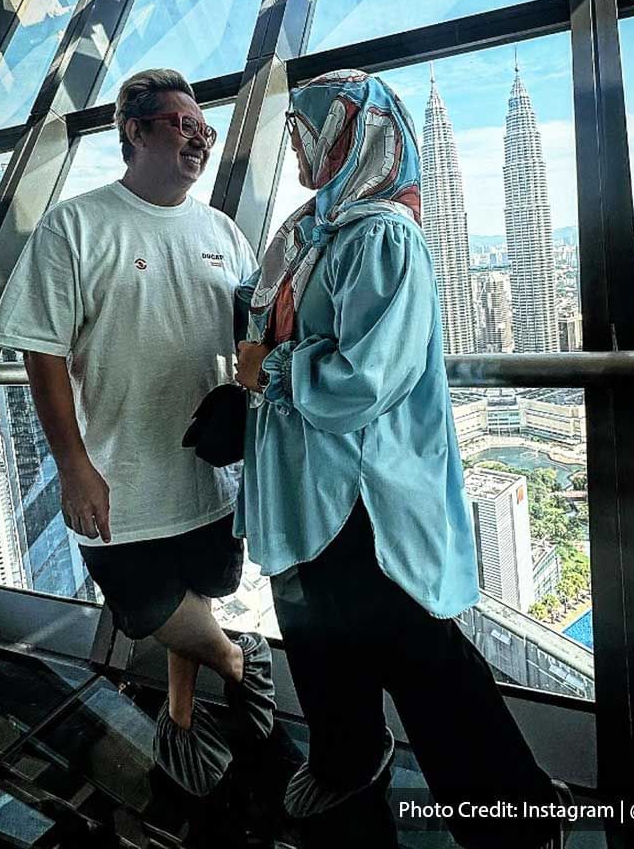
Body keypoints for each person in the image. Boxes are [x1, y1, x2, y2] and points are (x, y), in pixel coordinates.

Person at [234, 69, 572, 848]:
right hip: (304, 484)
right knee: (318, 640)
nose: (294, 146)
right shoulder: (308, 231)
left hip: (364, 493)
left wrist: (271, 370)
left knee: (422, 660)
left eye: (306, 131)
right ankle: (346, 759)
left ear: (354, 133)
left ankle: (512, 810)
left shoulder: (380, 235)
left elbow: (368, 378)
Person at [0, 68, 274, 797]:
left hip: (206, 475)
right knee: (148, 611)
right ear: (134, 131)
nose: (199, 138)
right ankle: (241, 663)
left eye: (204, 129)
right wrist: (74, 465)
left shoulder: (221, 232)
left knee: (198, 592)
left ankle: (180, 721)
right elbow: (40, 346)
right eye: (181, 124)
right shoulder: (76, 225)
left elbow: (255, 332)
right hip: (116, 480)